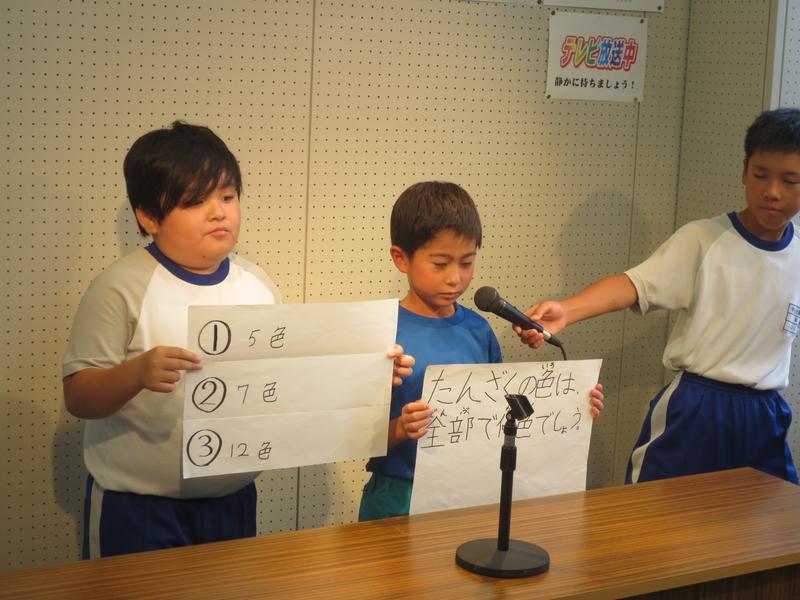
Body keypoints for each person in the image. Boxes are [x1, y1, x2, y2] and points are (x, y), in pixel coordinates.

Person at [61, 120, 412, 558]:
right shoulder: (121, 286)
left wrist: (366, 376)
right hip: (138, 508)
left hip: (233, 501)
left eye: (227, 196)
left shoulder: (256, 285)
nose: (218, 212)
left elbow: (285, 385)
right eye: (195, 201)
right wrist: (136, 373)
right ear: (149, 216)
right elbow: (78, 396)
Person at [518, 107, 800, 486]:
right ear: (744, 171)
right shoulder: (704, 239)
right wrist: (567, 310)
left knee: (773, 517)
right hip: (698, 406)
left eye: (790, 180)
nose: (773, 191)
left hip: (765, 413)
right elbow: (634, 285)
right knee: (652, 513)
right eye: (761, 175)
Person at [359, 181, 605, 521]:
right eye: (440, 264)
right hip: (399, 494)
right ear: (401, 258)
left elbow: (499, 415)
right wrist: (399, 428)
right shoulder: (381, 332)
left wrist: (573, 406)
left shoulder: (478, 329)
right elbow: (350, 435)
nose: (455, 278)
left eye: (466, 263)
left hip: (469, 493)